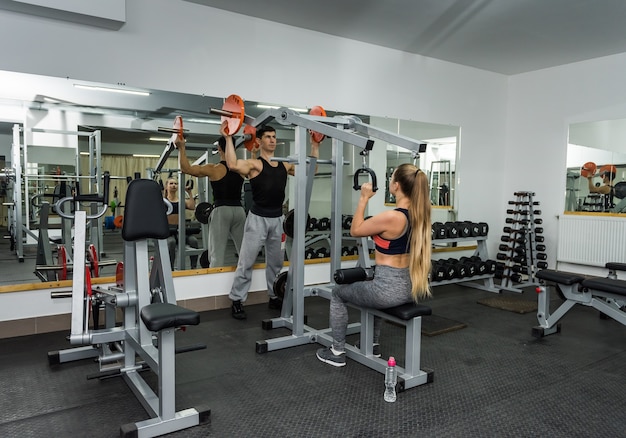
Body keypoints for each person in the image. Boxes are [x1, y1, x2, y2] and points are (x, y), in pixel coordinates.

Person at [316, 163, 432, 367]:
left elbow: (356, 230)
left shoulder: (393, 216)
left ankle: (336, 351)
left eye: (391, 178)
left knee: (337, 293)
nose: (389, 182)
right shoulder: (419, 215)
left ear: (396, 185)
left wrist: (363, 198)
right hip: (409, 287)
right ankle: (373, 344)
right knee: (373, 289)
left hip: (386, 291)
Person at [224, 121, 320, 319]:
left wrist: (315, 145)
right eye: (268, 137)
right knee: (247, 261)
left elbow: (312, 172)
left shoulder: (284, 164)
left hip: (278, 219)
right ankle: (237, 299)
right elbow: (232, 164)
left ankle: (274, 295)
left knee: (275, 263)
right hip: (257, 219)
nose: (272, 140)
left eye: (274, 137)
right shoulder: (255, 165)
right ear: (258, 141)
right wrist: (227, 137)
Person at [176, 135, 246, 267]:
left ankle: (216, 286)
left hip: (221, 211)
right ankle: (249, 284)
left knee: (216, 256)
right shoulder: (241, 168)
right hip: (240, 211)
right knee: (245, 253)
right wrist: (253, 152)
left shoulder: (214, 168)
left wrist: (181, 147)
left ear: (219, 148)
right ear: (234, 148)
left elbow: (186, 169)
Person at [163, 177, 199, 270]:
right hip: (169, 230)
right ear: (166, 187)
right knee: (171, 242)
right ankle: (170, 269)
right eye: (171, 183)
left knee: (194, 241)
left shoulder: (181, 201)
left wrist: (189, 192)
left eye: (175, 183)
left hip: (182, 230)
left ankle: (193, 268)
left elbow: (192, 206)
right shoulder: (163, 201)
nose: (174, 185)